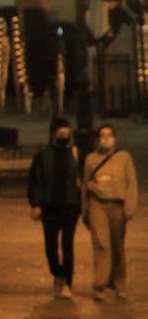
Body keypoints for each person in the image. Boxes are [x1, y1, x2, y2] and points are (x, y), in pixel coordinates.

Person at [82, 124, 138, 301]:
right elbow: (85, 185)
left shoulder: (124, 157)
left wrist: (130, 207)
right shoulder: (91, 159)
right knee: (101, 244)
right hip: (97, 204)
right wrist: (85, 210)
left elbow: (131, 182)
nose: (105, 139)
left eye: (109, 135)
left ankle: (118, 282)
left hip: (118, 205)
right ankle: (100, 284)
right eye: (102, 135)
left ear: (114, 137)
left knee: (117, 246)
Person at [27, 118, 80, 299]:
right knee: (50, 247)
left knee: (67, 245)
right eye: (62, 135)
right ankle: (57, 273)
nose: (65, 138)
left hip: (70, 206)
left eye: (67, 134)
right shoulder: (43, 155)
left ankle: (68, 283)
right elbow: (35, 180)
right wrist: (35, 204)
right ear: (53, 135)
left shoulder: (75, 153)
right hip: (49, 207)